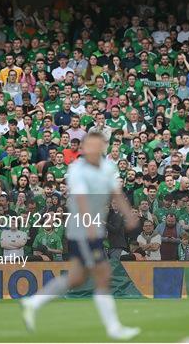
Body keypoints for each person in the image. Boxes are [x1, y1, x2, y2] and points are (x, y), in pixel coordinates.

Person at [20, 132, 140, 340]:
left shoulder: (108, 167)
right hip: (81, 228)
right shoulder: (77, 169)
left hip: (92, 228)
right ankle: (114, 328)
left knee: (77, 277)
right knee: (103, 274)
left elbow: (116, 194)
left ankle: (33, 303)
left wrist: (129, 215)